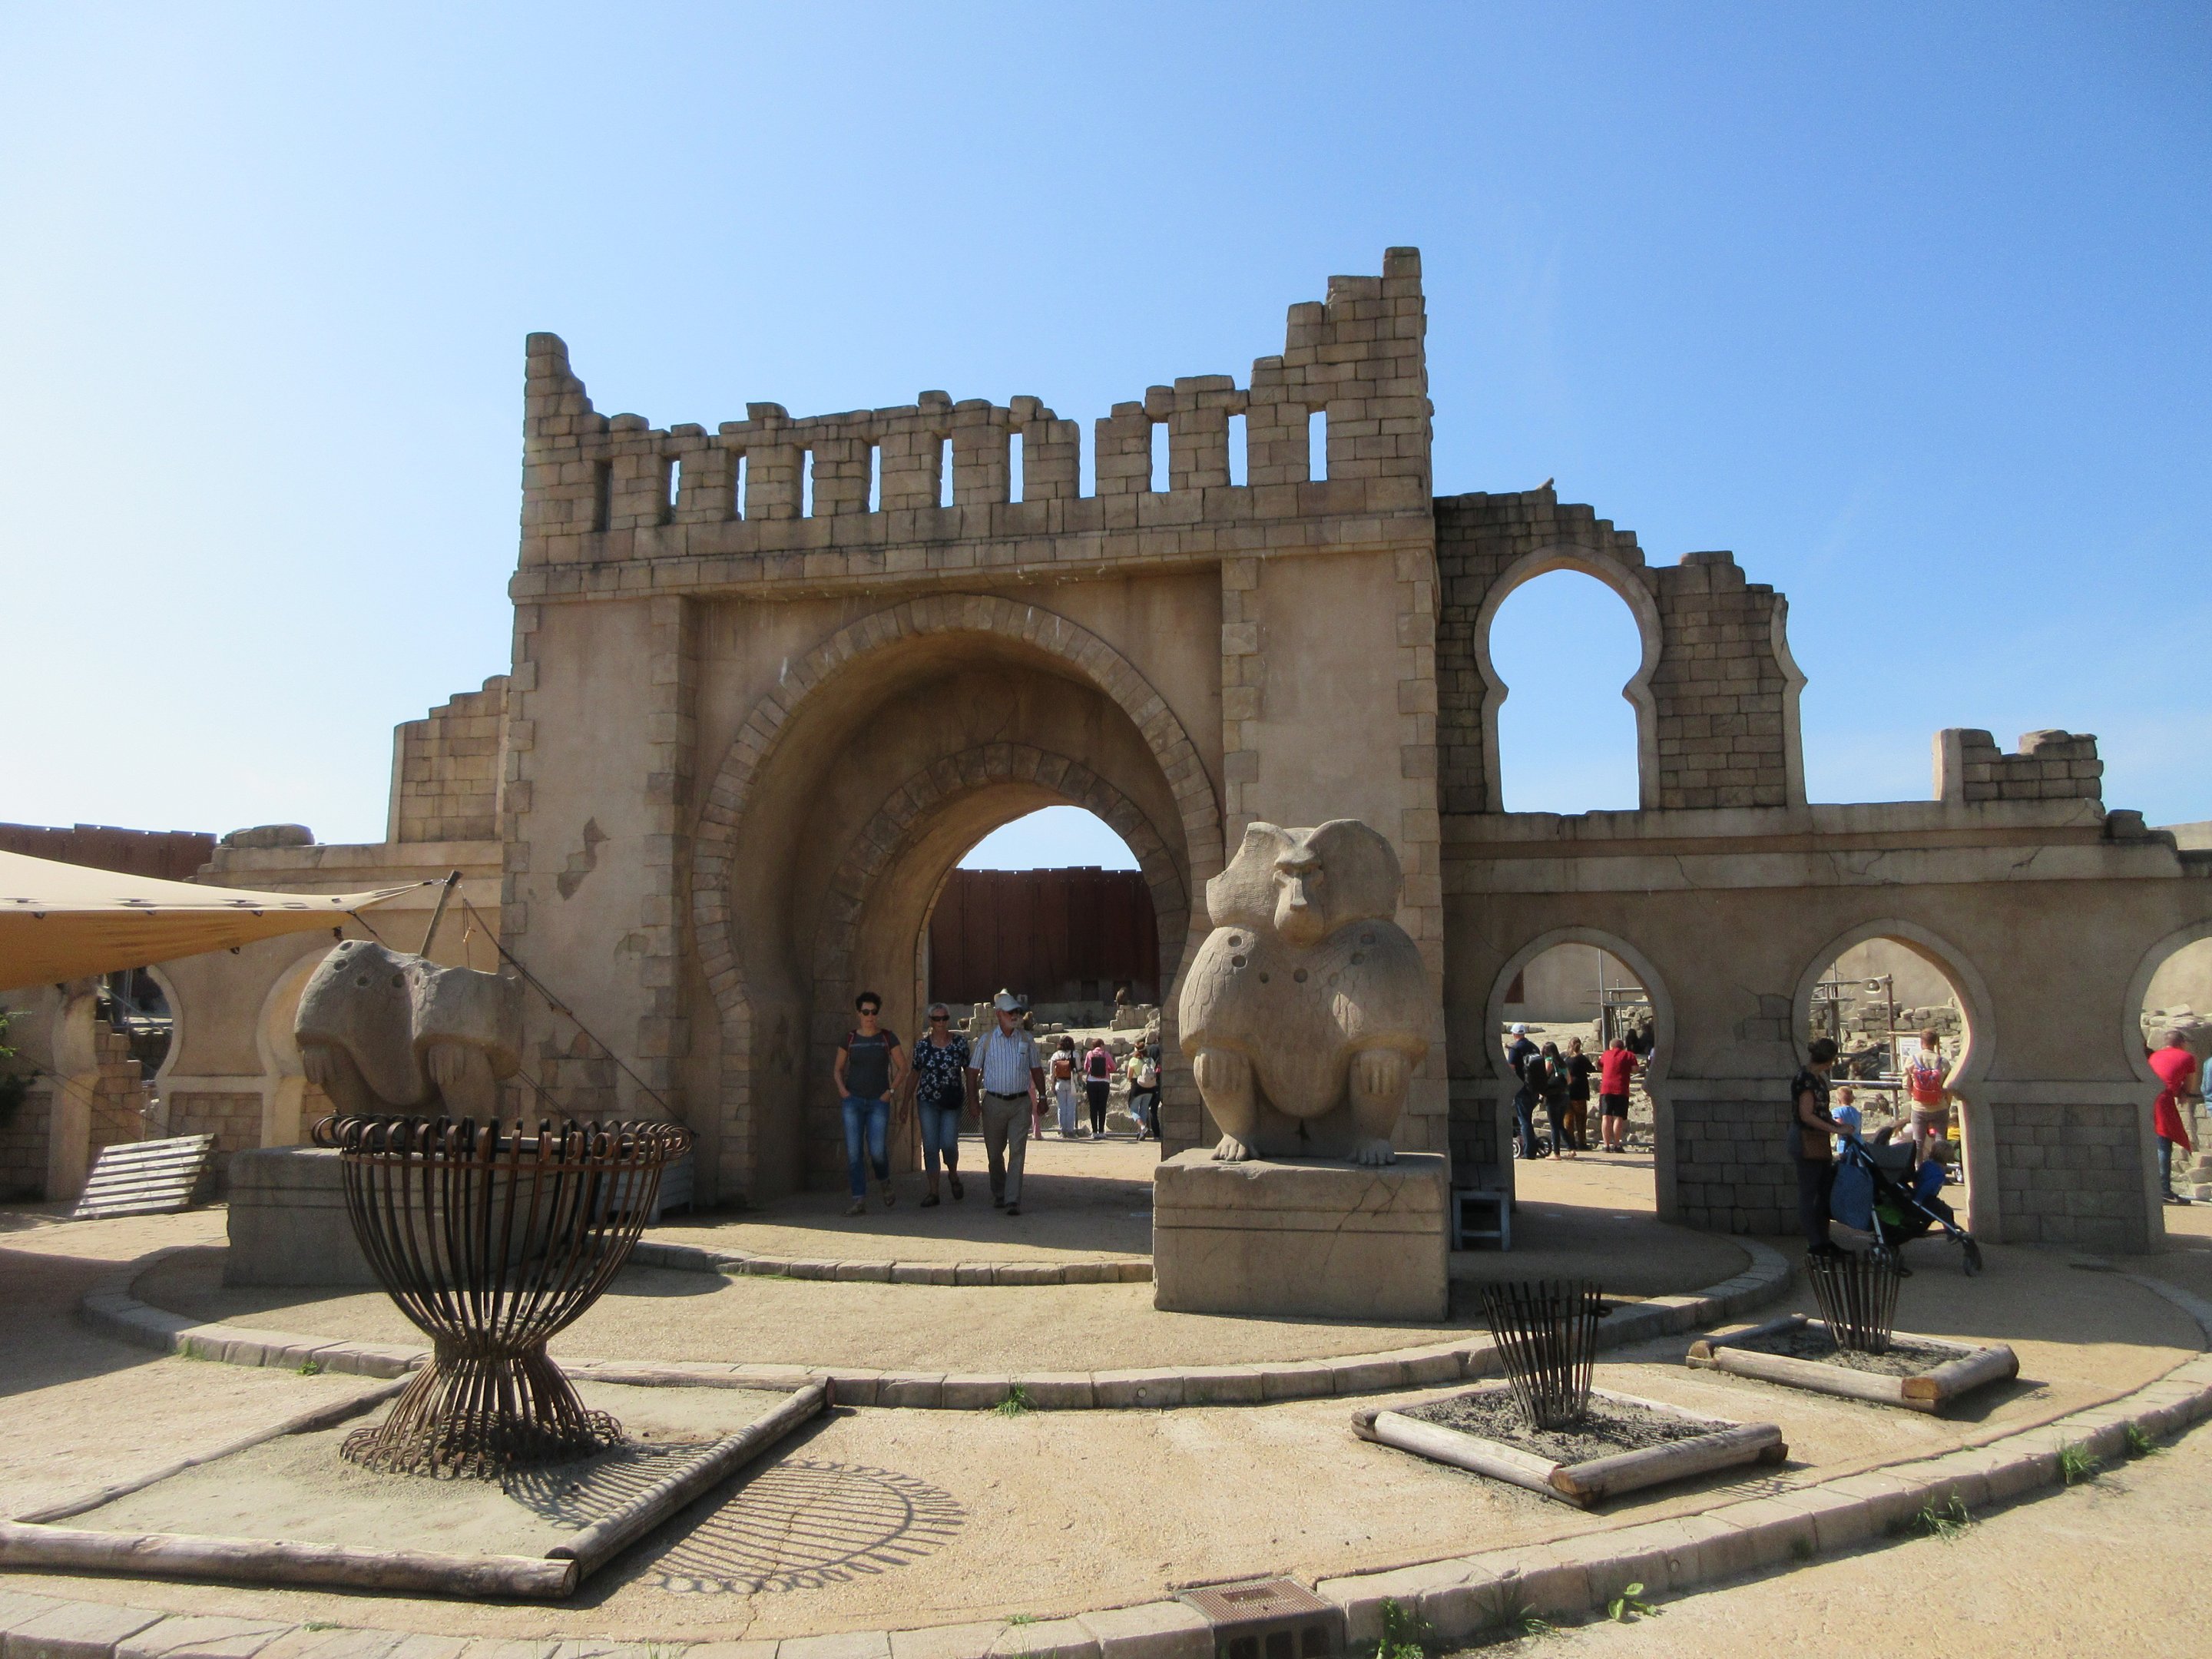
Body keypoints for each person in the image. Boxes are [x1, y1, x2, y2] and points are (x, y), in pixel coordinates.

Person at [965, 991, 1047, 1216]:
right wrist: (973, 1101)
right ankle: (999, 1192)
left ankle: (1013, 1199)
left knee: (1018, 1150)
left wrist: (1043, 1096)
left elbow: (1036, 1069)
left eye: (1017, 1012)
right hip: (993, 1103)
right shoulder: (986, 1041)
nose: (1015, 1016)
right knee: (994, 1154)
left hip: (1020, 1103)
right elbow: (972, 1072)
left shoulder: (1027, 1040)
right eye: (1011, 1012)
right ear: (999, 1014)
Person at [833, 992, 908, 1217]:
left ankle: (884, 1181)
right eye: (866, 1012)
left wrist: (890, 1092)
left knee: (876, 1150)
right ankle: (859, 1200)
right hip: (853, 1101)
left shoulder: (886, 1038)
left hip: (878, 1102)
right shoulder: (850, 1039)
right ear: (859, 1013)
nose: (870, 1016)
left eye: (874, 1012)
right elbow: (837, 1068)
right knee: (854, 1152)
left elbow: (903, 1067)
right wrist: (843, 1090)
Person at [906, 1002, 972, 1207]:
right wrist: (904, 1102)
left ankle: (952, 1174)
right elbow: (914, 1074)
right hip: (928, 1101)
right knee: (931, 1147)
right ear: (931, 1021)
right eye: (937, 1019)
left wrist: (973, 1101)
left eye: (944, 1018)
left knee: (949, 1144)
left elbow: (970, 1072)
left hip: (951, 1101)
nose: (941, 1022)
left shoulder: (960, 1044)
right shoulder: (922, 1047)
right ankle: (933, 1191)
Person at [1793, 1036, 1848, 1255]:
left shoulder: (1818, 1079)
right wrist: (1835, 1130)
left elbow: (1821, 1112)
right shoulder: (1805, 1079)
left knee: (1825, 1191)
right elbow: (1806, 1115)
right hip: (1806, 1140)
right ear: (1830, 1060)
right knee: (1809, 1194)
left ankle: (1824, 1240)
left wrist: (1836, 1125)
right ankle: (1815, 1243)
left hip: (1819, 1140)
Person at [2148, 1029, 2200, 1205]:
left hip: (2147, 1098)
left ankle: (2154, 1188)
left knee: (2154, 1143)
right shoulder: (2187, 1057)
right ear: (2182, 1043)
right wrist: (2185, 1093)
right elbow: (2191, 1084)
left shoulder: (2154, 1056)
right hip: (2162, 1099)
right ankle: (2164, 1190)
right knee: (2163, 1144)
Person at [1902, 1028, 1952, 1167]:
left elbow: (1906, 1085)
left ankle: (1918, 1170)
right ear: (1936, 1042)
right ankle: (1940, 1170)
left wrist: (1914, 1096)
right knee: (1941, 1140)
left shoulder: (1912, 1060)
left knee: (1918, 1142)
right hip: (1939, 1106)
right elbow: (1948, 1087)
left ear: (1921, 1042)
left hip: (1919, 1108)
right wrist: (1946, 1103)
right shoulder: (1943, 1062)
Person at [1505, 1023, 1541, 1160]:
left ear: (1514, 1035)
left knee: (1524, 1120)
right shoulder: (1534, 1047)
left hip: (1521, 1088)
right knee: (1528, 1119)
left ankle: (1529, 1151)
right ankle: (1533, 1144)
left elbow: (1511, 1068)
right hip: (1535, 1088)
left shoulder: (1515, 1049)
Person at [1597, 1036, 1638, 1153]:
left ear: (1611, 1046)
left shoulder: (1606, 1054)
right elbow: (1635, 1069)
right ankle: (1616, 1144)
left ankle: (1606, 1145)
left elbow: (1599, 1066)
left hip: (1606, 1089)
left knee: (1606, 1116)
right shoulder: (1629, 1055)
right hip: (1621, 1088)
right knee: (1618, 1117)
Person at [1561, 1037, 1594, 1154]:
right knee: (1581, 1118)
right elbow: (1591, 1069)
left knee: (1568, 1119)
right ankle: (1582, 1142)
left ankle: (1570, 1143)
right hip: (1580, 1090)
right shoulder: (1582, 1058)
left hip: (1568, 1090)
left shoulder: (1566, 1059)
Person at [1538, 1041, 1572, 1159]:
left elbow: (1545, 1075)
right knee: (1560, 1124)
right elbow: (1569, 1080)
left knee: (1554, 1126)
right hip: (1565, 1095)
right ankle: (1571, 1148)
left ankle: (1556, 1153)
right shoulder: (1563, 1062)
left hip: (1553, 1096)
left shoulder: (1549, 1060)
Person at [1126, 1038, 1161, 1139]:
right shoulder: (1150, 1060)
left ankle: (1143, 1127)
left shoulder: (1133, 1061)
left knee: (1133, 1110)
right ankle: (1142, 1133)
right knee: (1144, 1110)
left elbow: (1129, 1076)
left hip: (1137, 1087)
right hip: (1150, 1088)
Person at [1084, 1037, 1115, 1137]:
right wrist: (1107, 1069)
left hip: (1092, 1082)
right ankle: (1101, 1131)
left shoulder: (1089, 1054)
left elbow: (1085, 1067)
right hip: (1104, 1082)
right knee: (1102, 1107)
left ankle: (1094, 1132)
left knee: (1093, 1107)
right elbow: (1114, 1067)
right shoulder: (1106, 1054)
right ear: (1101, 1045)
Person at [1050, 1037, 1080, 1137]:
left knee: (1061, 1108)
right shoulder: (1075, 1054)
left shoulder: (1055, 1055)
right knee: (1071, 1108)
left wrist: (1052, 1085)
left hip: (1060, 1083)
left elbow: (1052, 1074)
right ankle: (1071, 1130)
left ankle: (1063, 1131)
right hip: (1072, 1083)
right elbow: (1079, 1070)